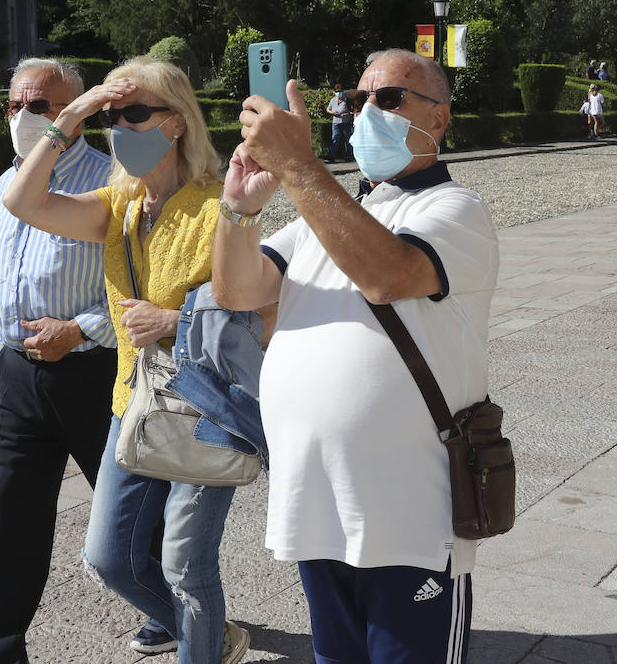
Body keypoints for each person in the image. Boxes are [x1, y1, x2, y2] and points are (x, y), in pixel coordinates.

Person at [211, 49, 499, 663]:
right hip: (318, 505)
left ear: (438, 118)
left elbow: (387, 274)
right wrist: (239, 209)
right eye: (361, 97)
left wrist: (297, 164)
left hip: (409, 516)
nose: (369, 110)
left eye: (390, 97)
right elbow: (236, 290)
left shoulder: (455, 209)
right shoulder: (333, 214)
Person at [0, 56, 252, 664]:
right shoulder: (119, 203)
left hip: (205, 404)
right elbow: (22, 201)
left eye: (134, 113)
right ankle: (212, 640)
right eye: (113, 116)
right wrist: (75, 114)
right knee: (108, 559)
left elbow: (256, 309)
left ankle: (200, 650)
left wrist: (176, 321)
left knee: (185, 564)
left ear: (175, 123)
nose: (119, 126)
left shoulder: (218, 203)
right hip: (133, 401)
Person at [0, 59, 122, 664]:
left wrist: (81, 329)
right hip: (18, 378)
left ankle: (177, 610)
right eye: (14, 106)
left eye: (40, 106)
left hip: (92, 372)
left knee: (128, 514)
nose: (24, 118)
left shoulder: (113, 180)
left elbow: (147, 285)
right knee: (10, 517)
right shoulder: (2, 188)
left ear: (75, 109)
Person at [326, 83, 353, 163]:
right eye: (337, 91)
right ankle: (331, 156)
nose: (338, 93)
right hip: (336, 123)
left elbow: (352, 111)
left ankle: (349, 156)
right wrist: (332, 113)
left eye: (340, 91)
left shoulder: (347, 100)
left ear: (342, 91)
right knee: (335, 139)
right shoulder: (333, 100)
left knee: (347, 140)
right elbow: (328, 109)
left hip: (346, 122)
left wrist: (347, 114)